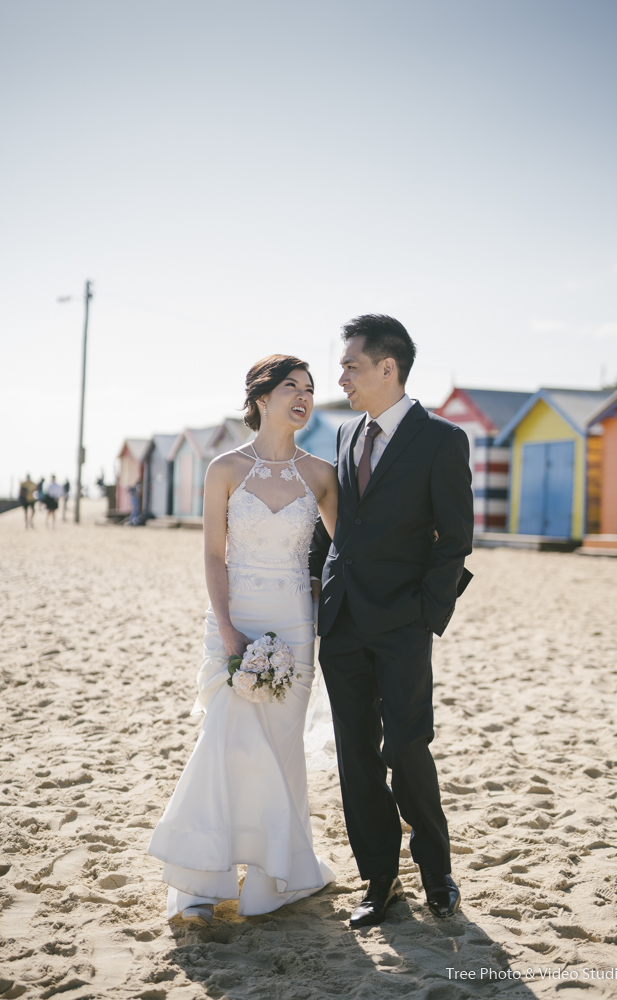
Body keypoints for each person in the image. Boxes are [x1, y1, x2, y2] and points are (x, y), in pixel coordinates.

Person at [148, 355, 338, 923]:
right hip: (237, 616)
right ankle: (202, 882)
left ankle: (272, 878)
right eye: (290, 387)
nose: (303, 397)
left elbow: (347, 549)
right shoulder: (225, 469)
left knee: (280, 752)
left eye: (309, 389)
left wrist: (316, 580)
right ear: (260, 397)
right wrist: (228, 628)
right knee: (226, 740)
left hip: (296, 626)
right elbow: (212, 554)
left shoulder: (321, 474)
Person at [309, 314, 473, 927]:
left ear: (387, 367)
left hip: (403, 622)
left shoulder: (441, 439)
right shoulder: (349, 433)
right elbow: (337, 526)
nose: (342, 376)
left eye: (351, 364)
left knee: (406, 747)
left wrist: (427, 615)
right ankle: (379, 883)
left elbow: (454, 539)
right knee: (355, 756)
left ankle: (437, 872)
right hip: (344, 620)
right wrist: (318, 590)